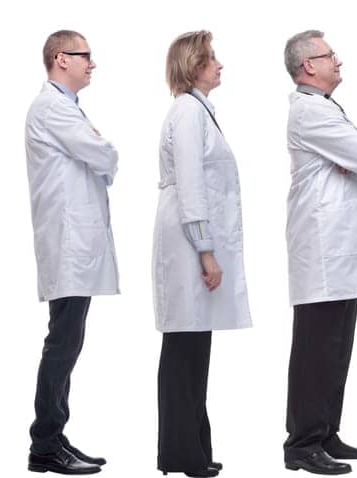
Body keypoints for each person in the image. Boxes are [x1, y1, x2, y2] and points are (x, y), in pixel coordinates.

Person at [280, 29, 357, 476]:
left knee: (337, 347)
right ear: (308, 65)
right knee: (315, 348)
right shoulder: (309, 114)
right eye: (329, 56)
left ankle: (326, 432)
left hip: (343, 248)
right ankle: (302, 444)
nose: (338, 61)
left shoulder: (326, 110)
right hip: (324, 250)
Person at [151, 30, 250, 478]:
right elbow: (191, 187)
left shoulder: (197, 111)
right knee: (184, 347)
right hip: (189, 244)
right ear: (194, 66)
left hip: (192, 241)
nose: (220, 65)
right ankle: (182, 453)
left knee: (194, 346)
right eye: (212, 59)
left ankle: (189, 449)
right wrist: (206, 251)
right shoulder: (188, 113)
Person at [22, 30, 118, 476]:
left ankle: (54, 436)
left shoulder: (66, 109)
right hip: (67, 242)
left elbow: (96, 155)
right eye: (86, 56)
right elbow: (100, 154)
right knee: (61, 343)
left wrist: (99, 147)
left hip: (77, 243)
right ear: (62, 58)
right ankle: (43, 445)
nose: (92, 63)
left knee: (69, 341)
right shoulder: (51, 108)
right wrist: (103, 145)